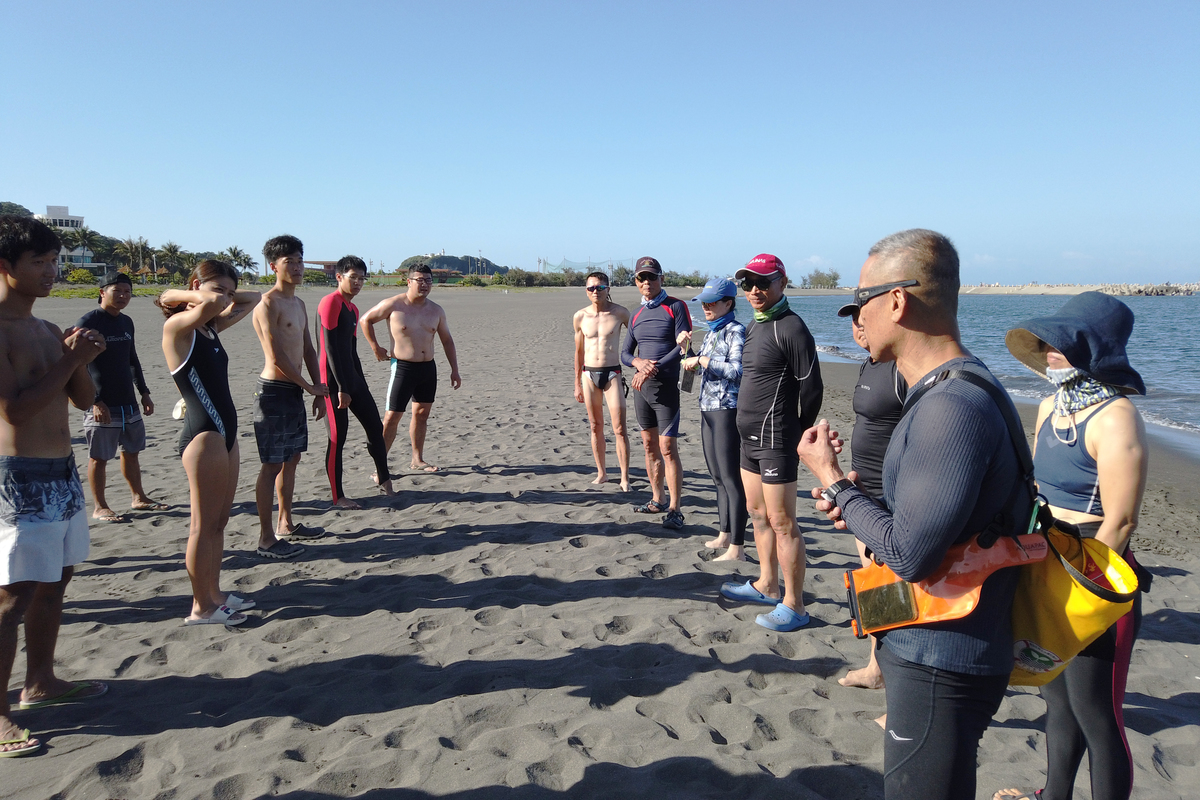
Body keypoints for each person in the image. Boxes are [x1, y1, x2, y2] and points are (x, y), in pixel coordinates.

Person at [797, 229, 1032, 800]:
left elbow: (912, 554)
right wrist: (859, 507)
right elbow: (931, 528)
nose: (855, 317)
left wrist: (831, 479)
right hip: (943, 642)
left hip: (941, 652)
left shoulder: (951, 405)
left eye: (860, 302)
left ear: (897, 302)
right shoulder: (953, 388)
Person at [994, 293, 1149, 800]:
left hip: (1094, 576)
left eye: (1060, 342)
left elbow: (1121, 521)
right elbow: (1037, 490)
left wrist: (1084, 593)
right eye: (1045, 341)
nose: (1046, 350)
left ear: (1093, 349)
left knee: (1099, 716)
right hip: (1049, 562)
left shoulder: (1116, 416)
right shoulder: (1048, 405)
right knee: (1057, 703)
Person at [0, 215, 109, 757]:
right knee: (11, 596)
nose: (51, 272)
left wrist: (80, 356)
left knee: (55, 581)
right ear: (5, 267)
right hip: (16, 476)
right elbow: (14, 412)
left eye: (54, 262)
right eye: (39, 263)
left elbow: (84, 400)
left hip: (61, 469)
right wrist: (71, 356)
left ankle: (38, 681)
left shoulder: (46, 329)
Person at [718, 254, 823, 631]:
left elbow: (812, 387)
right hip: (749, 438)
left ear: (782, 281)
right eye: (748, 284)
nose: (755, 291)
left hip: (777, 439)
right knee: (758, 514)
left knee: (782, 522)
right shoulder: (754, 327)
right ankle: (766, 583)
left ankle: (795, 605)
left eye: (763, 282)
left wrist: (800, 433)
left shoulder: (791, 328)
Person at [159, 259, 261, 625]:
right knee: (202, 525)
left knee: (219, 522)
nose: (226, 298)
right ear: (195, 286)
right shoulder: (178, 328)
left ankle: (215, 594)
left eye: (229, 291)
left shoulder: (209, 328)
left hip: (226, 433)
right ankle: (201, 607)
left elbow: (254, 297)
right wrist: (180, 295)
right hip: (203, 434)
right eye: (218, 289)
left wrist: (216, 293)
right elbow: (212, 305)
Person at [836, 302, 907, 692]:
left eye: (865, 322)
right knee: (873, 583)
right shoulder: (869, 363)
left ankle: (893, 679)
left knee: (894, 589)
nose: (859, 330)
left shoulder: (901, 368)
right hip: (862, 491)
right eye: (854, 324)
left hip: (890, 495)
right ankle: (876, 668)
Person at [251, 235, 328, 558]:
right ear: (274, 266)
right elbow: (277, 355)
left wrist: (318, 387)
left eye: (299, 261)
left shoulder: (298, 303)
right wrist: (308, 387)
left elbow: (308, 349)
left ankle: (286, 522)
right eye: (289, 262)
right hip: (274, 391)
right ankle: (266, 538)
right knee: (271, 465)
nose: (297, 268)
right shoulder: (267, 303)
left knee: (292, 459)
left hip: (296, 390)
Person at [76, 270, 168, 522]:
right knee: (99, 457)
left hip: (128, 402)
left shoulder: (126, 322)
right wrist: (95, 401)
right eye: (117, 291)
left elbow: (132, 359)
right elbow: (79, 365)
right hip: (102, 403)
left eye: (127, 292)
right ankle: (100, 506)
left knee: (132, 451)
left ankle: (138, 497)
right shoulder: (88, 322)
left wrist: (144, 392)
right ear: (102, 292)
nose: (123, 296)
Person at [360, 263, 461, 472]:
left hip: (427, 369)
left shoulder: (435, 310)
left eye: (428, 280)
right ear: (409, 281)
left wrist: (455, 369)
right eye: (419, 280)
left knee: (422, 414)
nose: (424, 285)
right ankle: (380, 466)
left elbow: (447, 341)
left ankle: (417, 459)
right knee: (392, 417)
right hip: (403, 368)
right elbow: (365, 320)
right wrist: (375, 347)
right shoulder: (394, 305)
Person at [317, 256, 396, 509]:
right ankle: (337, 496)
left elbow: (351, 351)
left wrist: (359, 383)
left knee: (375, 426)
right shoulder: (331, 302)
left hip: (352, 378)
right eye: (354, 278)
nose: (359, 283)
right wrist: (341, 387)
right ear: (339, 277)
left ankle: (385, 480)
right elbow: (330, 349)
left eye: (362, 278)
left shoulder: (352, 309)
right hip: (332, 381)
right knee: (337, 438)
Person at [620, 256, 692, 530]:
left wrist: (652, 368)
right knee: (649, 447)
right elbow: (626, 353)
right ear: (636, 282)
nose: (646, 282)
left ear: (662, 278)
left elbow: (683, 347)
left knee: (667, 448)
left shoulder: (675, 306)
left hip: (666, 389)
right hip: (641, 390)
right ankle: (657, 499)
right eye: (641, 278)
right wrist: (638, 363)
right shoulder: (636, 315)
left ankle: (675, 508)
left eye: (651, 277)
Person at [681, 277, 747, 560]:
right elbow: (698, 369)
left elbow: (737, 371)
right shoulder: (711, 332)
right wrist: (689, 351)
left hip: (727, 409)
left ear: (728, 304)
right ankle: (724, 534)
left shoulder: (736, 331)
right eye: (703, 303)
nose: (706, 307)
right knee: (717, 477)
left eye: (711, 303)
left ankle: (738, 548)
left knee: (732, 479)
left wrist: (702, 361)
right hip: (707, 408)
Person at [573, 271, 632, 490]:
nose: (595, 292)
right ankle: (602, 473)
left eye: (599, 287)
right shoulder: (580, 316)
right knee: (596, 426)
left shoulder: (620, 313)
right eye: (591, 288)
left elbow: (636, 338)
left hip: (613, 373)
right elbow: (578, 351)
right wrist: (577, 383)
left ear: (608, 289)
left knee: (619, 428)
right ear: (586, 290)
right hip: (589, 374)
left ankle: (624, 477)